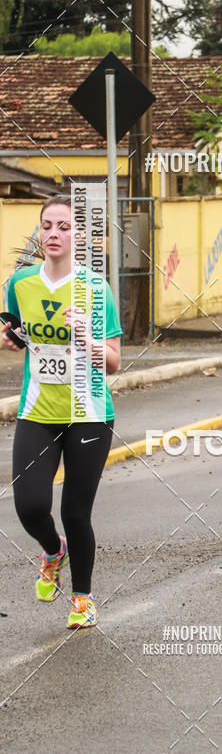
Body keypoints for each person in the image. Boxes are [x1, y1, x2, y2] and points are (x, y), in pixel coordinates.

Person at [1, 194, 122, 628]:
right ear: (40, 232)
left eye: (64, 227)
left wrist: (87, 340)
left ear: (80, 236)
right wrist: (9, 338)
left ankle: (82, 599)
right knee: (30, 504)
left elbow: (112, 362)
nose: (54, 234)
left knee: (75, 511)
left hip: (88, 412)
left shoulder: (96, 289)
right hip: (38, 410)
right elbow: (13, 328)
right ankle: (54, 551)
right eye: (48, 226)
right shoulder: (20, 283)